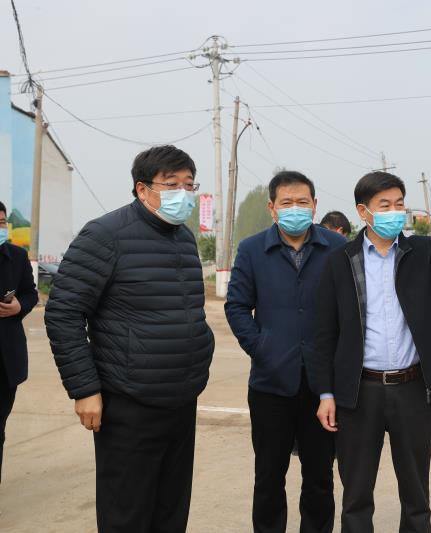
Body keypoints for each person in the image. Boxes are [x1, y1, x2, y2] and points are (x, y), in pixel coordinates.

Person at [311, 171, 431, 533]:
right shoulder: (340, 260)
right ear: (363, 212)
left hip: (413, 388)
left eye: (399, 204)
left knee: (416, 495)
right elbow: (324, 333)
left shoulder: (421, 250)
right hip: (358, 392)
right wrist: (325, 393)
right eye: (384, 205)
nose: (394, 212)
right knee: (356, 495)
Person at [44, 145, 214, 533]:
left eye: (189, 185)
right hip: (129, 403)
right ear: (142, 189)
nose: (183, 193)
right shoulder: (105, 235)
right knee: (128, 513)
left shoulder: (184, 239)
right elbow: (64, 312)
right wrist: (85, 389)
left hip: (181, 399)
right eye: (171, 184)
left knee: (171, 510)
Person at [225, 170, 346, 533]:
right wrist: (262, 347)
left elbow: (349, 307)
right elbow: (236, 307)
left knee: (320, 477)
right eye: (287, 202)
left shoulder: (336, 247)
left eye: (302, 202)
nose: (295, 209)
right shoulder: (252, 249)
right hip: (270, 383)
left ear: (315, 205)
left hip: (322, 385)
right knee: (268, 477)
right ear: (272, 208)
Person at [0, 201, 38, 486]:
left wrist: (19, 306)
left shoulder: (16, 256)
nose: (0, 227)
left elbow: (30, 292)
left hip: (5, 361)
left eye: (2, 222)